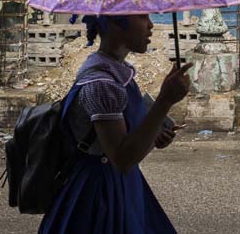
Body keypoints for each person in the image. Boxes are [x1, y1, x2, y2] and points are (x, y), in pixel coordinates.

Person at [39, 14, 192, 234]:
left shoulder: (117, 71)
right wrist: (165, 101)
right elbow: (122, 158)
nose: (150, 25)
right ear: (115, 23)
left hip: (122, 184)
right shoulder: (102, 84)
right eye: (141, 17)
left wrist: (153, 138)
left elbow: (129, 143)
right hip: (98, 194)